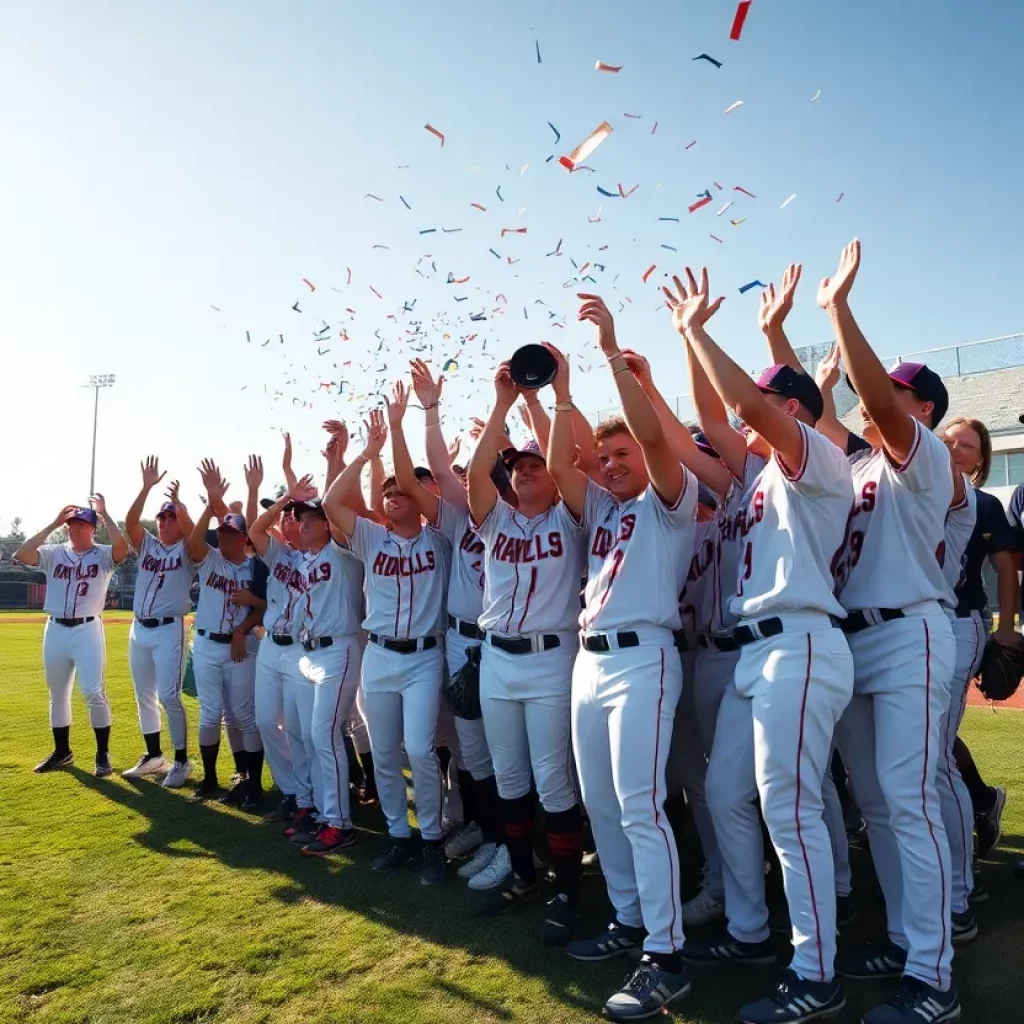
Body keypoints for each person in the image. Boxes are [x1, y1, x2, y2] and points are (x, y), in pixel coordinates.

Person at [669, 268, 854, 1024]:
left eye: (770, 402)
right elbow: (715, 422)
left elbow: (739, 404)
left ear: (797, 411)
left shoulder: (816, 459)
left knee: (791, 808)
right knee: (723, 795)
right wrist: (685, 340)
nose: (749, 420)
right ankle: (750, 932)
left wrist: (699, 332)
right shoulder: (758, 475)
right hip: (757, 652)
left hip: (802, 644)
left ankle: (817, 972)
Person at [540, 291, 699, 1022]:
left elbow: (658, 444)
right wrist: (563, 397)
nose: (608, 465)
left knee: (641, 806)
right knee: (603, 805)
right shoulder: (603, 504)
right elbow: (558, 465)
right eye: (603, 458)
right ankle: (631, 920)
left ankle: (666, 956)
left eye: (619, 453)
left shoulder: (669, 494)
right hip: (590, 660)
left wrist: (611, 353)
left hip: (646, 658)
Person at [816, 240, 962, 1024]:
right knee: (877, 804)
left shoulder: (924, 454)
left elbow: (867, 404)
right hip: (856, 639)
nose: (883, 402)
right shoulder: (862, 462)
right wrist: (792, 341)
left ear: (925, 409)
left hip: (911, 632)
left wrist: (841, 310)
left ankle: (935, 977)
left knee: (908, 802)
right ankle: (910, 939)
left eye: (901, 394)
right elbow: (818, 417)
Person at [466, 358, 588, 946]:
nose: (526, 472)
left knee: (552, 779)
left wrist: (552, 394)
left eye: (536, 463)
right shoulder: (495, 523)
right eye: (518, 465)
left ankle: (568, 889)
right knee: (509, 776)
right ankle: (523, 873)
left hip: (551, 659)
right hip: (497, 658)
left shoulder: (569, 518)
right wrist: (502, 402)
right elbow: (474, 473)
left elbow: (569, 458)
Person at [323, 409, 449, 886]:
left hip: (423, 657)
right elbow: (333, 503)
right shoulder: (372, 537)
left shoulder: (439, 539)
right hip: (379, 654)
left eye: (401, 493)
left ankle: (432, 839)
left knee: (420, 749)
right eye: (388, 494)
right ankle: (401, 835)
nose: (393, 499)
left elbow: (419, 492)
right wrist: (366, 454)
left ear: (417, 498)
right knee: (386, 750)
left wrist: (394, 442)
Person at [407, 358, 510, 890]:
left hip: (503, 644)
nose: (473, 483)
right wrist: (430, 409)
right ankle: (487, 833)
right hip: (459, 643)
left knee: (507, 752)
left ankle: (512, 845)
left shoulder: (522, 512)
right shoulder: (456, 516)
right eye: (470, 477)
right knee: (472, 751)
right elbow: (435, 470)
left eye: (485, 474)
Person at [251, 476, 366, 856]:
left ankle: (339, 824)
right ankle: (319, 812)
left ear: (327, 523)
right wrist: (286, 496)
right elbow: (256, 529)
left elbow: (338, 505)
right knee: (306, 733)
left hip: (339, 650)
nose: (301, 522)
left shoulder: (344, 555)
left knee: (323, 735)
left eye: (308, 517)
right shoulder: (298, 560)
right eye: (297, 517)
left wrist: (343, 460)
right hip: (307, 653)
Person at [15, 496, 129, 776]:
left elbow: (122, 549)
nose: (74, 528)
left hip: (87, 628)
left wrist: (106, 515)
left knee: (93, 692)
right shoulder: (54, 552)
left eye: (80, 523)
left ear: (93, 529)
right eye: (71, 524)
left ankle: (102, 754)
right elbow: (23, 554)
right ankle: (62, 752)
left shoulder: (102, 554)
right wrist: (54, 522)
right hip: (55, 628)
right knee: (57, 694)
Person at [186, 460, 269, 806]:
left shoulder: (256, 566)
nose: (224, 537)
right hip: (206, 643)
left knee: (244, 715)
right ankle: (209, 780)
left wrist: (241, 630)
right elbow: (192, 545)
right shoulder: (211, 559)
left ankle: (252, 784)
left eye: (232, 533)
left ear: (244, 537)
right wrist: (210, 502)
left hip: (243, 647)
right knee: (210, 713)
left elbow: (265, 607)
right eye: (222, 533)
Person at [121, 457, 198, 787]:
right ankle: (154, 756)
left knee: (169, 695)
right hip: (139, 628)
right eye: (162, 516)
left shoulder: (188, 549)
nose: (165, 521)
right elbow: (130, 521)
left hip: (170, 629)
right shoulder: (149, 545)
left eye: (171, 517)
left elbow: (195, 536)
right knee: (144, 696)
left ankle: (182, 760)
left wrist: (181, 506)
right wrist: (147, 487)